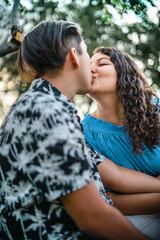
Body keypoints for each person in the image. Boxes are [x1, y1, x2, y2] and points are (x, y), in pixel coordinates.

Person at [0, 20, 150, 240]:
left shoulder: (51, 108)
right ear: (74, 56)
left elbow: (112, 173)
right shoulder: (44, 110)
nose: (91, 66)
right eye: (87, 53)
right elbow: (93, 217)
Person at [81, 46, 160, 239]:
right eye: (88, 64)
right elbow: (109, 199)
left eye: (102, 63)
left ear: (125, 72)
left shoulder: (156, 111)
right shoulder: (84, 133)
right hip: (132, 219)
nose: (91, 69)